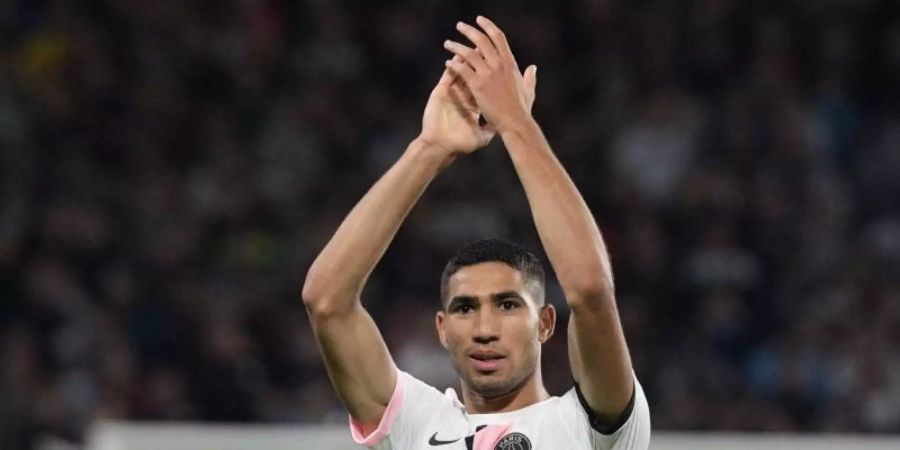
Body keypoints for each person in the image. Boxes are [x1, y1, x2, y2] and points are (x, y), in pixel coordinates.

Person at [302, 16, 650, 450]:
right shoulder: (415, 422)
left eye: (507, 305)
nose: (485, 329)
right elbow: (327, 301)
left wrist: (516, 125)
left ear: (544, 323)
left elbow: (589, 289)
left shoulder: (591, 426)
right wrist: (430, 149)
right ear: (442, 328)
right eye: (465, 309)